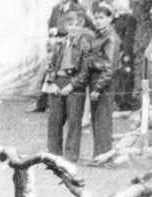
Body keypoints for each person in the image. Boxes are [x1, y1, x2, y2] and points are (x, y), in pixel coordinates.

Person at [45, 8, 94, 162]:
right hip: (57, 83)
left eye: (76, 25)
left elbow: (86, 71)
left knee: (73, 122)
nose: (73, 28)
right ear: (66, 26)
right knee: (54, 121)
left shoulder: (86, 45)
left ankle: (71, 157)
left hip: (74, 86)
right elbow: (52, 65)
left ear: (82, 26)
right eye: (70, 24)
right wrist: (51, 83)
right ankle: (53, 155)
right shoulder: (60, 44)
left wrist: (72, 86)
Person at [81, 2, 121, 162]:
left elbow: (109, 66)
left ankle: (103, 156)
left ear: (110, 19)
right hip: (95, 79)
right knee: (97, 120)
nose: (98, 21)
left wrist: (98, 88)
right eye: (96, 18)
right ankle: (99, 154)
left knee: (103, 120)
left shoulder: (111, 37)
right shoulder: (100, 35)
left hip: (104, 82)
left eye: (102, 18)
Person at [112, 0, 137, 111]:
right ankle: (118, 102)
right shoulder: (116, 18)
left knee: (125, 78)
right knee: (117, 77)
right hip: (115, 52)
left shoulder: (129, 18)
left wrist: (126, 54)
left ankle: (125, 104)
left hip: (124, 53)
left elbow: (128, 38)